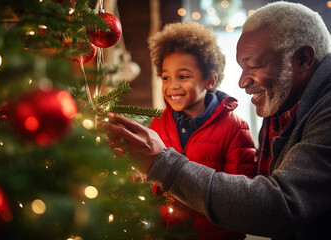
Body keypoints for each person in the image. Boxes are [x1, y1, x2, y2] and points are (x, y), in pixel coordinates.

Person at [103, 1, 331, 239]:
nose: (242, 83)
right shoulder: (280, 112)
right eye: (166, 77)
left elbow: (278, 206)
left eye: (253, 65)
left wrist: (162, 164)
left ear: (304, 59)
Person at [147, 21, 256, 240]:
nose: (172, 85)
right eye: (166, 77)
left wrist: (194, 201)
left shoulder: (235, 128)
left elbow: (240, 199)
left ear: (210, 81)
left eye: (183, 76)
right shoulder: (158, 124)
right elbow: (150, 179)